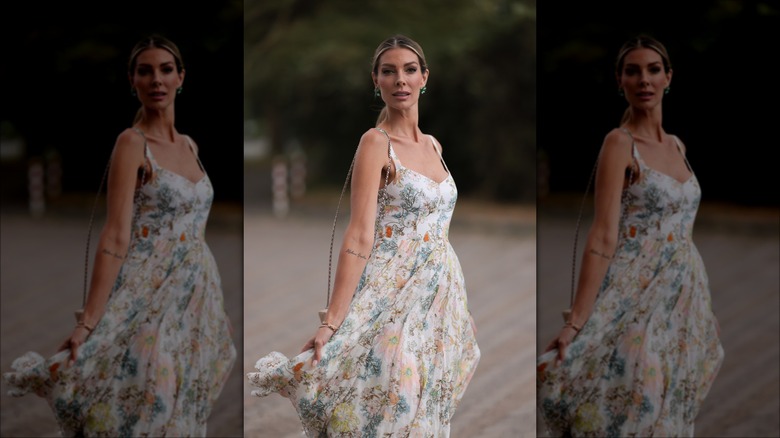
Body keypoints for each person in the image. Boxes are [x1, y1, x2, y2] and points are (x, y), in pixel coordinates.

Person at [3, 35, 236, 436]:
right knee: (151, 396)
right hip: (147, 294)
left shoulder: (190, 145)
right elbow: (114, 235)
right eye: (145, 71)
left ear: (181, 77)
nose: (156, 80)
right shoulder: (132, 143)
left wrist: (215, 308)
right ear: (133, 81)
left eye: (165, 70)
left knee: (182, 401)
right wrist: (88, 322)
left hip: (195, 299)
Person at [247, 34, 480, 436]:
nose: (400, 80)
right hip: (391, 295)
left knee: (425, 411)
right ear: (376, 81)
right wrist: (331, 321)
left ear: (425, 78)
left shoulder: (434, 145)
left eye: (409, 70)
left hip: (440, 301)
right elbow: (358, 234)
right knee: (394, 400)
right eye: (388, 71)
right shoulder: (376, 143)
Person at [536, 35, 724, 437]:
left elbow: (682, 233)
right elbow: (603, 236)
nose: (644, 80)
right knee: (640, 396)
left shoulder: (677, 145)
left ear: (668, 77)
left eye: (653, 70)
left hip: (682, 300)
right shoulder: (619, 144)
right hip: (633, 294)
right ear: (619, 81)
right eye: (632, 71)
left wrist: (703, 311)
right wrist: (576, 322)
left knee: (671, 409)